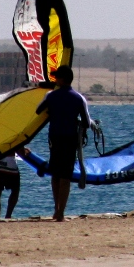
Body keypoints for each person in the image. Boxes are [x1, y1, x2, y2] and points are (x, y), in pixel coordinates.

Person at [36, 65, 94, 222]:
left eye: (56, 77)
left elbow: (38, 110)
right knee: (65, 176)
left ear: (62, 79)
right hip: (70, 139)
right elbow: (87, 123)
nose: (55, 79)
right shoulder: (78, 98)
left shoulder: (51, 96)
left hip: (55, 139)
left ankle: (56, 209)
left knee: (55, 174)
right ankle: (61, 211)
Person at [0, 148, 28, 219]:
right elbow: (21, 154)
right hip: (9, 165)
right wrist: (25, 152)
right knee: (15, 190)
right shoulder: (14, 136)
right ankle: (8, 215)